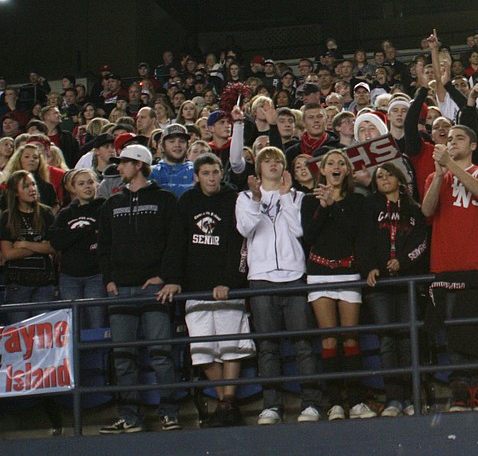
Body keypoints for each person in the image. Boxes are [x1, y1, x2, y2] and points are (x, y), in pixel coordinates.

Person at [97, 143, 183, 433]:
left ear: (138, 165)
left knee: (161, 352)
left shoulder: (166, 200)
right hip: (120, 289)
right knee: (123, 357)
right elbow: (104, 246)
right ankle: (129, 416)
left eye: (123, 163)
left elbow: (175, 242)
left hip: (152, 289)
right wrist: (109, 278)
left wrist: (165, 276)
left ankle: (170, 412)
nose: (118, 168)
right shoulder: (111, 204)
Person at [236, 147, 322, 424]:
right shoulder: (245, 197)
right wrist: (257, 200)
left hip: (294, 275)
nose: (272, 164)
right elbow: (245, 228)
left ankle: (311, 403)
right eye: (267, 161)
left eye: (277, 161)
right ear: (259, 168)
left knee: (303, 345)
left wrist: (285, 197)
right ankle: (271, 405)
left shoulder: (297, 196)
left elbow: (299, 231)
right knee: (268, 347)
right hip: (260, 278)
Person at [420, 125, 478, 411]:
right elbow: (427, 211)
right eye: (449, 139)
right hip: (446, 265)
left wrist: (450, 165)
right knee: (453, 330)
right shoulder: (435, 175)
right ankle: (460, 391)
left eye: (459, 138)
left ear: (474, 145)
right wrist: (440, 175)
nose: (451, 142)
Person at [178, 153, 253, 428]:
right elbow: (180, 242)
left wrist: (231, 281)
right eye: (206, 173)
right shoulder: (186, 201)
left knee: (231, 347)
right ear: (196, 176)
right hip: (195, 290)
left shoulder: (233, 199)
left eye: (215, 172)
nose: (212, 177)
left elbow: (240, 246)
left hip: (227, 288)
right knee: (203, 351)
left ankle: (225, 404)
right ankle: (226, 405)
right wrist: (177, 280)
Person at [302, 149, 373, 420]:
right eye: (330, 163)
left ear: (347, 171)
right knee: (329, 337)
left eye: (340, 163)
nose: (335, 166)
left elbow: (352, 232)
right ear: (322, 170)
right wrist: (323, 206)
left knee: (350, 336)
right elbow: (309, 236)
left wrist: (334, 206)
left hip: (347, 272)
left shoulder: (356, 201)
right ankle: (335, 403)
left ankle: (356, 401)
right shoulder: (310, 201)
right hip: (320, 273)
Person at [364, 163, 429, 416]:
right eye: (379, 176)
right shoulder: (370, 207)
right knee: (387, 339)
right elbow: (363, 240)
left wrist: (404, 261)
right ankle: (393, 398)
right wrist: (370, 267)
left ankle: (413, 397)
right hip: (379, 284)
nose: (384, 178)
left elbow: (422, 242)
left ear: (399, 179)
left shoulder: (414, 210)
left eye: (389, 174)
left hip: (407, 281)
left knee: (406, 337)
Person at [49, 169, 106, 330]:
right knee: (74, 326)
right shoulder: (65, 213)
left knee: (96, 323)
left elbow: (107, 237)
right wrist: (87, 231)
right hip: (69, 277)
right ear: (73, 188)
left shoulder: (105, 208)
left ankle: (98, 356)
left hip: (96, 274)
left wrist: (71, 236)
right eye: (81, 183)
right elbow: (56, 242)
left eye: (90, 182)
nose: (87, 186)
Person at [0, 170, 56, 318]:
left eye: (33, 184)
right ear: (15, 192)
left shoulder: (46, 213)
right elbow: (8, 254)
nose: (32, 189)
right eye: (25, 186)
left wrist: (24, 244)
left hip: (44, 283)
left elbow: (53, 247)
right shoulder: (8, 216)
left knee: (43, 333)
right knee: (19, 334)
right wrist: (39, 246)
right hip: (17, 285)